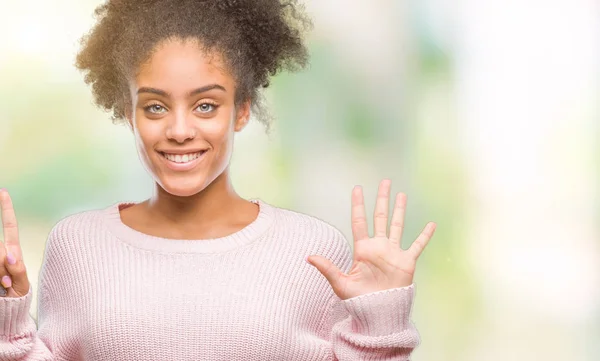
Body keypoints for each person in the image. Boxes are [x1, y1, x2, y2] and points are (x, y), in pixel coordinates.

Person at [0, 0, 437, 359]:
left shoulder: (313, 252)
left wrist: (381, 322)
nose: (179, 129)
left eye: (206, 105)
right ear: (129, 113)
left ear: (242, 110)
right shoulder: (76, 245)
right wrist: (9, 322)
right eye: (154, 107)